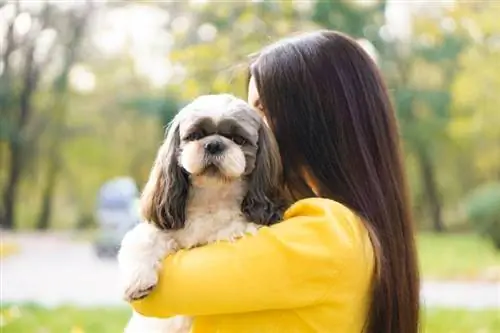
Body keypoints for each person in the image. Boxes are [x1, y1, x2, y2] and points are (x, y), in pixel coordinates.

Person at [130, 30, 420, 333]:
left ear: (314, 119)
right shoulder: (338, 228)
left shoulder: (327, 235)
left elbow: (155, 293)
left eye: (261, 110)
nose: (252, 125)